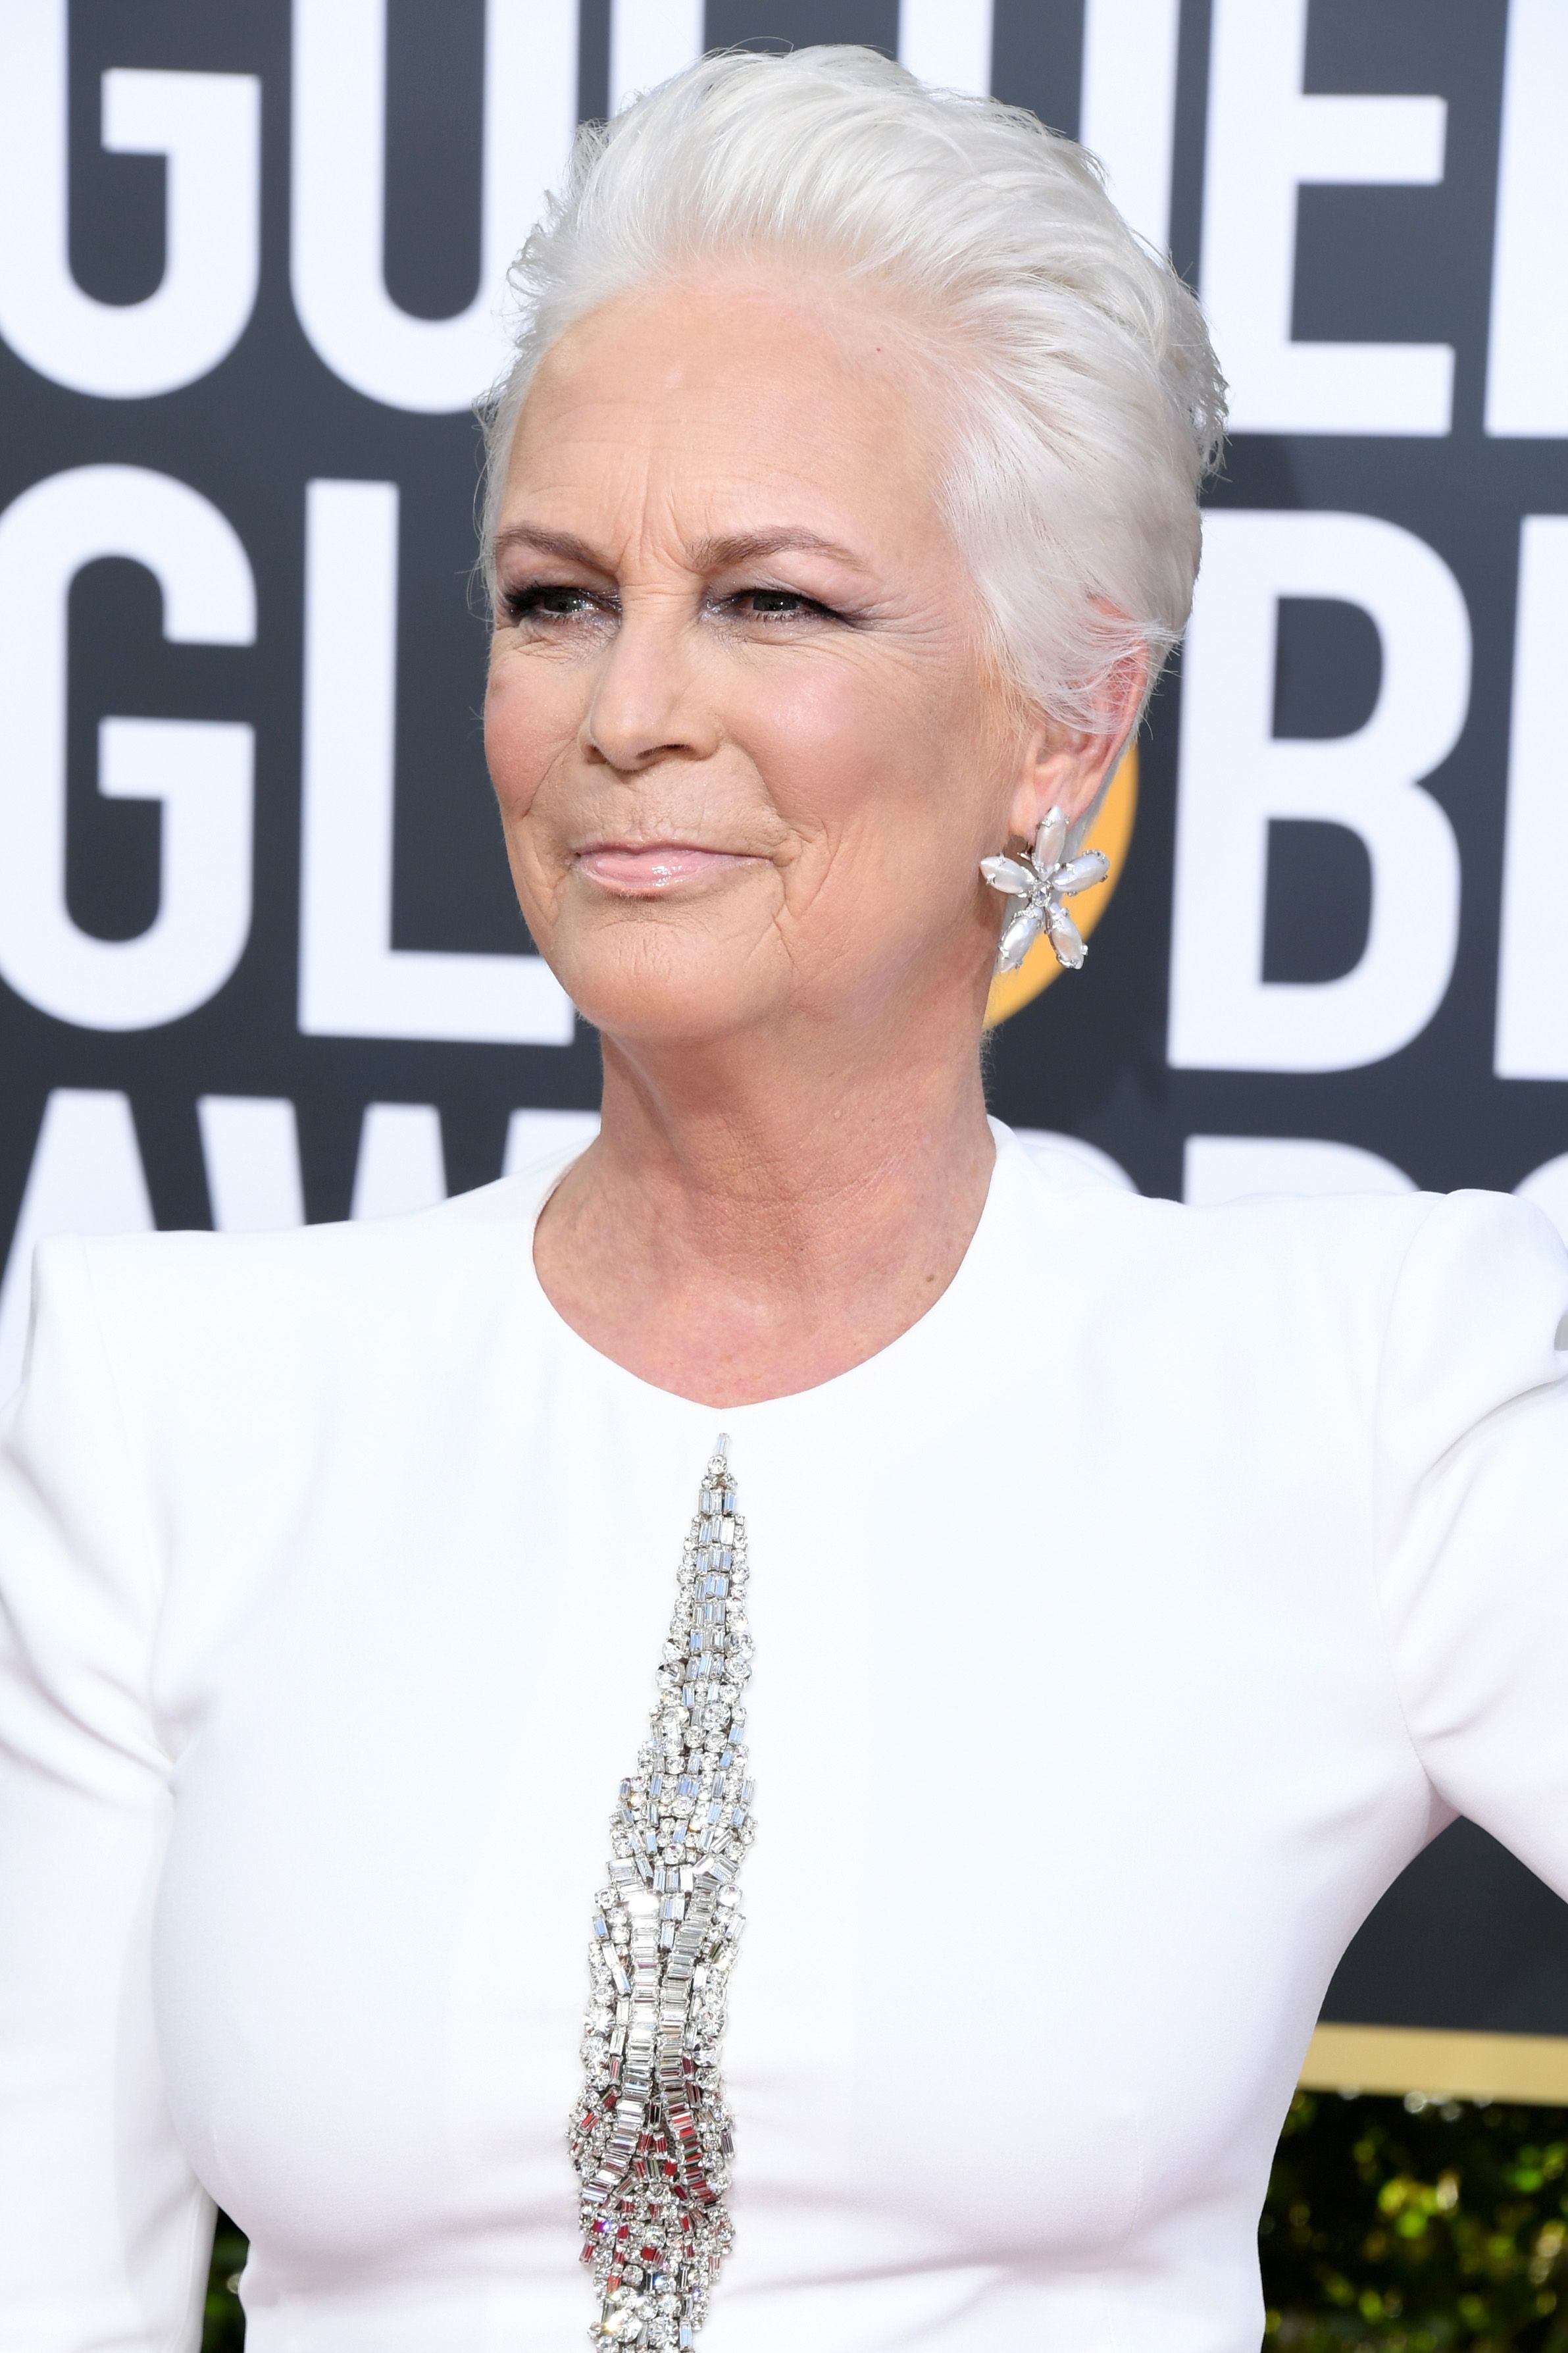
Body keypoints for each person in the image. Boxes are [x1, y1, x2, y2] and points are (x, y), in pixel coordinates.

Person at [1, 44, 1564, 2353]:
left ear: (1065, 723)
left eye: (775, 605)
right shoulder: (176, 1396)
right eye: (554, 597)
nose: (628, 705)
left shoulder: (1356, 1379)